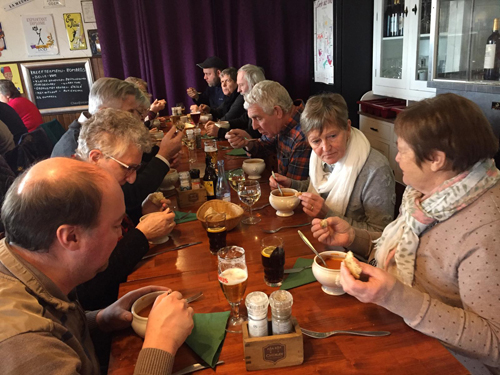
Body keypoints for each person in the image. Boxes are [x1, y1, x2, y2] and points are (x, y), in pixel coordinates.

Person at [311, 93, 500, 374]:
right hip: (395, 323)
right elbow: (398, 256)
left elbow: (494, 343)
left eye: (402, 150)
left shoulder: (485, 228)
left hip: (445, 358)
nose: (396, 158)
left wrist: (397, 297)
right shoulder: (422, 196)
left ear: (436, 159)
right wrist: (353, 238)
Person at [0, 158, 193, 374]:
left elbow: (55, 328)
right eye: (116, 225)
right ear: (71, 237)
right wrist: (161, 343)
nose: (121, 233)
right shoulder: (25, 346)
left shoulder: (22, 263)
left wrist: (98, 320)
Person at [75, 108, 176, 310]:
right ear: (95, 157)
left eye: (135, 169)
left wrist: (141, 212)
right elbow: (88, 290)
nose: (132, 178)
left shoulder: (96, 185)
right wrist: (142, 234)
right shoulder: (74, 199)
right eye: (127, 167)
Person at [52, 78, 183, 222]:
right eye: (131, 111)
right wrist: (163, 156)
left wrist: (164, 156)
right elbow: (126, 197)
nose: (139, 118)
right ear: (105, 112)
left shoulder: (99, 134)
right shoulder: (74, 148)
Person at [271, 93, 395, 231]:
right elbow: (321, 186)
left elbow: (381, 234)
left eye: (332, 136)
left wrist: (327, 214)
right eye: (316, 141)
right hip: (320, 234)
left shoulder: (376, 169)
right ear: (308, 140)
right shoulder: (316, 157)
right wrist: (291, 184)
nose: (325, 148)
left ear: (347, 128)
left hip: (350, 251)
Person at [226, 80, 311, 180]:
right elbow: (263, 147)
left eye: (258, 118)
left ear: (277, 111)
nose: (254, 126)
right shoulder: (280, 123)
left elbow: (293, 191)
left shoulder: (303, 135)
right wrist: (248, 142)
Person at [203, 67, 245, 136]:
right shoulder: (229, 97)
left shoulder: (241, 97)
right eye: (222, 81)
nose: (224, 85)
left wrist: (215, 125)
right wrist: (209, 109)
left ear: (236, 82)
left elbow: (228, 117)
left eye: (227, 81)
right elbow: (219, 111)